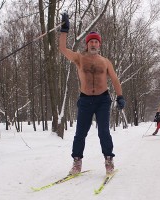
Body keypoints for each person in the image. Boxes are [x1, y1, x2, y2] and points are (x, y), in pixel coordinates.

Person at [58, 13, 125, 175]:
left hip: (103, 100)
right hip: (85, 100)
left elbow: (115, 80)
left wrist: (120, 96)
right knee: (80, 133)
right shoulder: (79, 58)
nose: (94, 43)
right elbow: (62, 48)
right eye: (91, 41)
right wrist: (64, 30)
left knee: (103, 131)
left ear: (99, 44)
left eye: (96, 41)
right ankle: (77, 162)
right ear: (87, 44)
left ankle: (109, 160)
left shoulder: (105, 61)